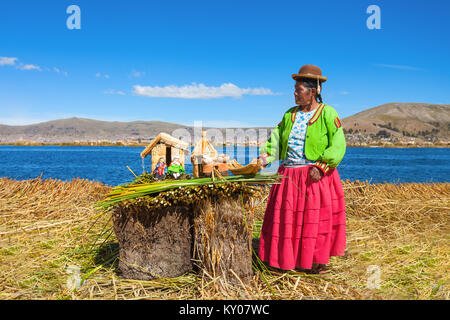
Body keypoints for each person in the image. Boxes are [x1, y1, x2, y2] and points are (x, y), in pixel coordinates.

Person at [256, 65, 346, 274]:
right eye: (295, 89)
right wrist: (263, 159)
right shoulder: (289, 115)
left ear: (312, 91)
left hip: (315, 175)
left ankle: (315, 261)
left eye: (298, 89)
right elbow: (276, 142)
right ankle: (286, 259)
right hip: (289, 176)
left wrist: (322, 166)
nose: (294, 93)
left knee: (314, 221)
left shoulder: (327, 113)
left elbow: (338, 144)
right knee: (287, 221)